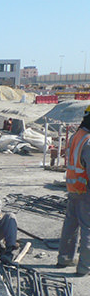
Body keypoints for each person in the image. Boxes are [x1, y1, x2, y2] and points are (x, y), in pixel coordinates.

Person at [56, 104, 90, 276]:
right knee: (88, 228)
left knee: (71, 224)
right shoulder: (89, 140)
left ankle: (65, 258)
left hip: (73, 186)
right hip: (85, 189)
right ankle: (85, 267)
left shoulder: (78, 135)